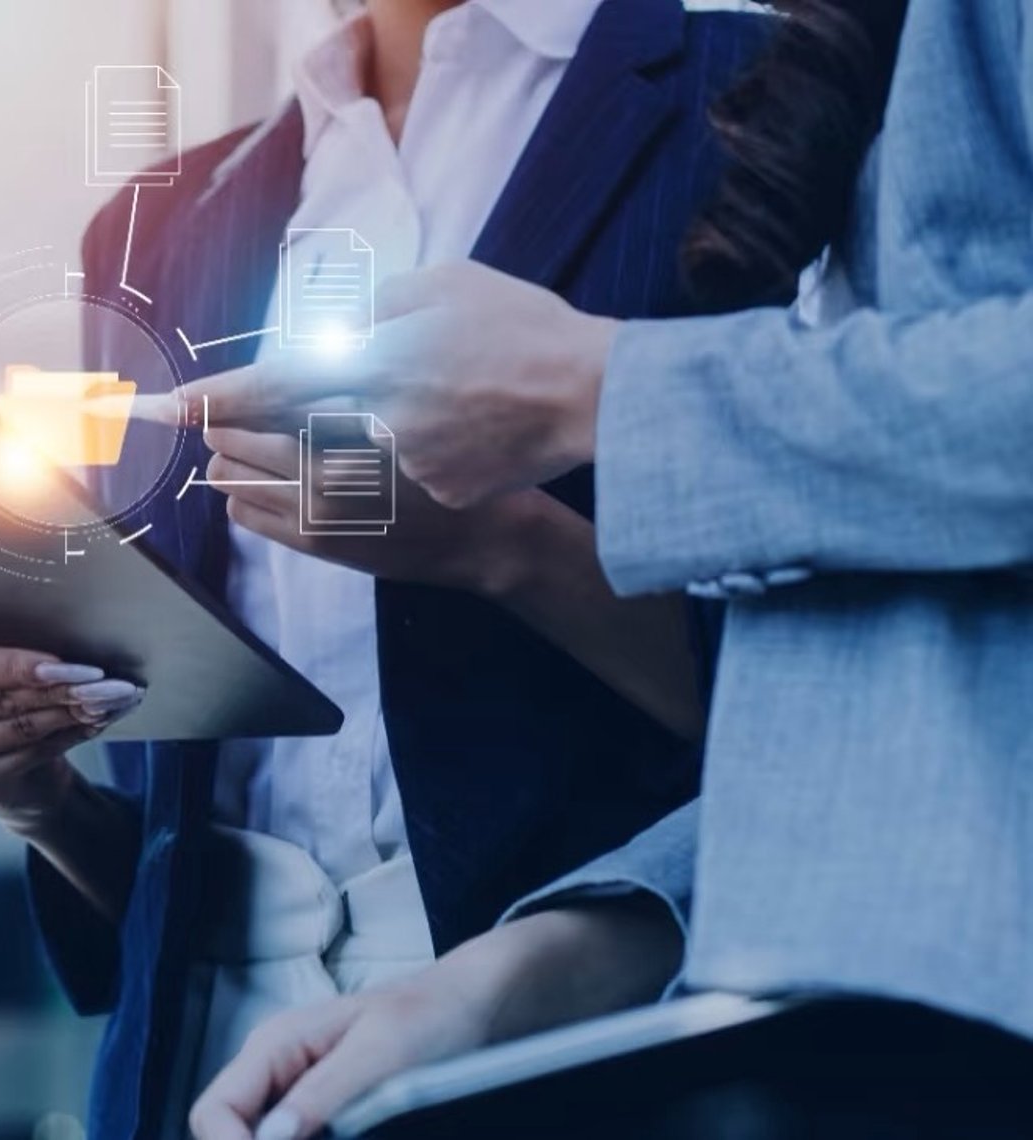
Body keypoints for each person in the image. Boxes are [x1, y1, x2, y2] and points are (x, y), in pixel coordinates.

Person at [0, 1, 779, 1136]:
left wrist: (499, 545)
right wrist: (41, 802)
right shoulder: (155, 227)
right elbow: (175, 857)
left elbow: (866, 709)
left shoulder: (767, 100)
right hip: (203, 1076)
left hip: (580, 1054)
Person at [183, 0, 1033, 1134]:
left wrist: (595, 398)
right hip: (783, 996)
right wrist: (524, 973)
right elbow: (880, 692)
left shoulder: (749, 90)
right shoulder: (185, 209)